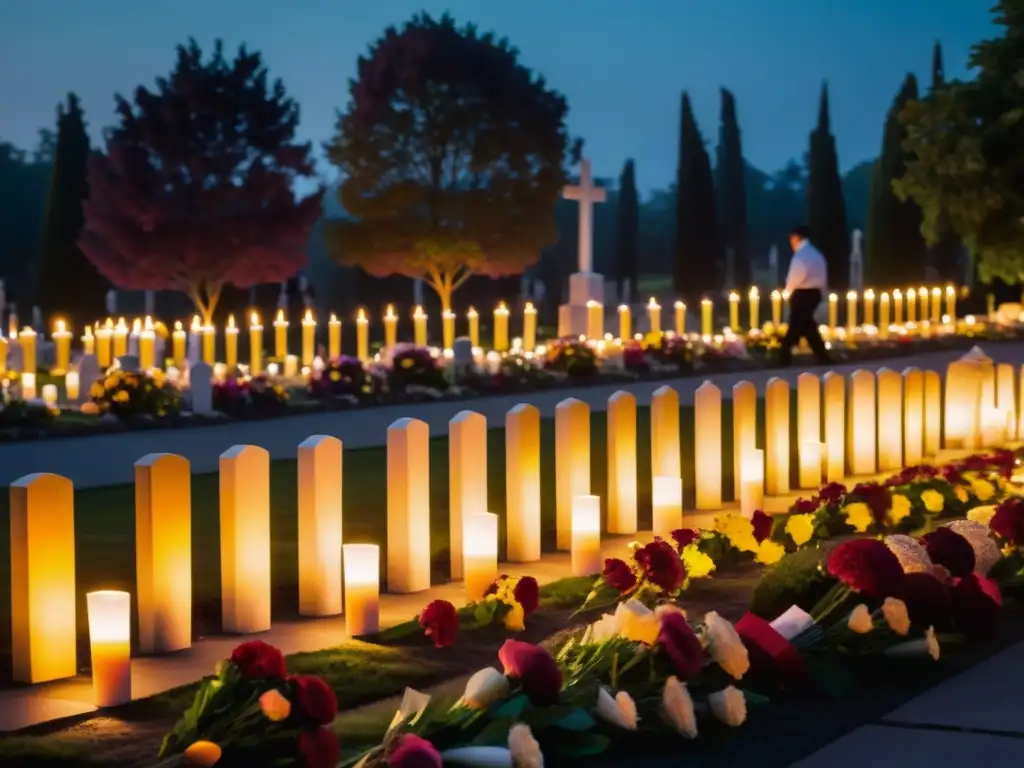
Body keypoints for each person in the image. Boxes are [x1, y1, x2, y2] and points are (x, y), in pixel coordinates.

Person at [780, 225, 831, 366]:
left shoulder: (801, 256)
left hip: (802, 294)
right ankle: (822, 356)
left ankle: (783, 357)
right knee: (808, 325)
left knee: (796, 325)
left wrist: (787, 292)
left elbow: (795, 276)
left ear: (796, 238)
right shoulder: (816, 254)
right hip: (815, 294)